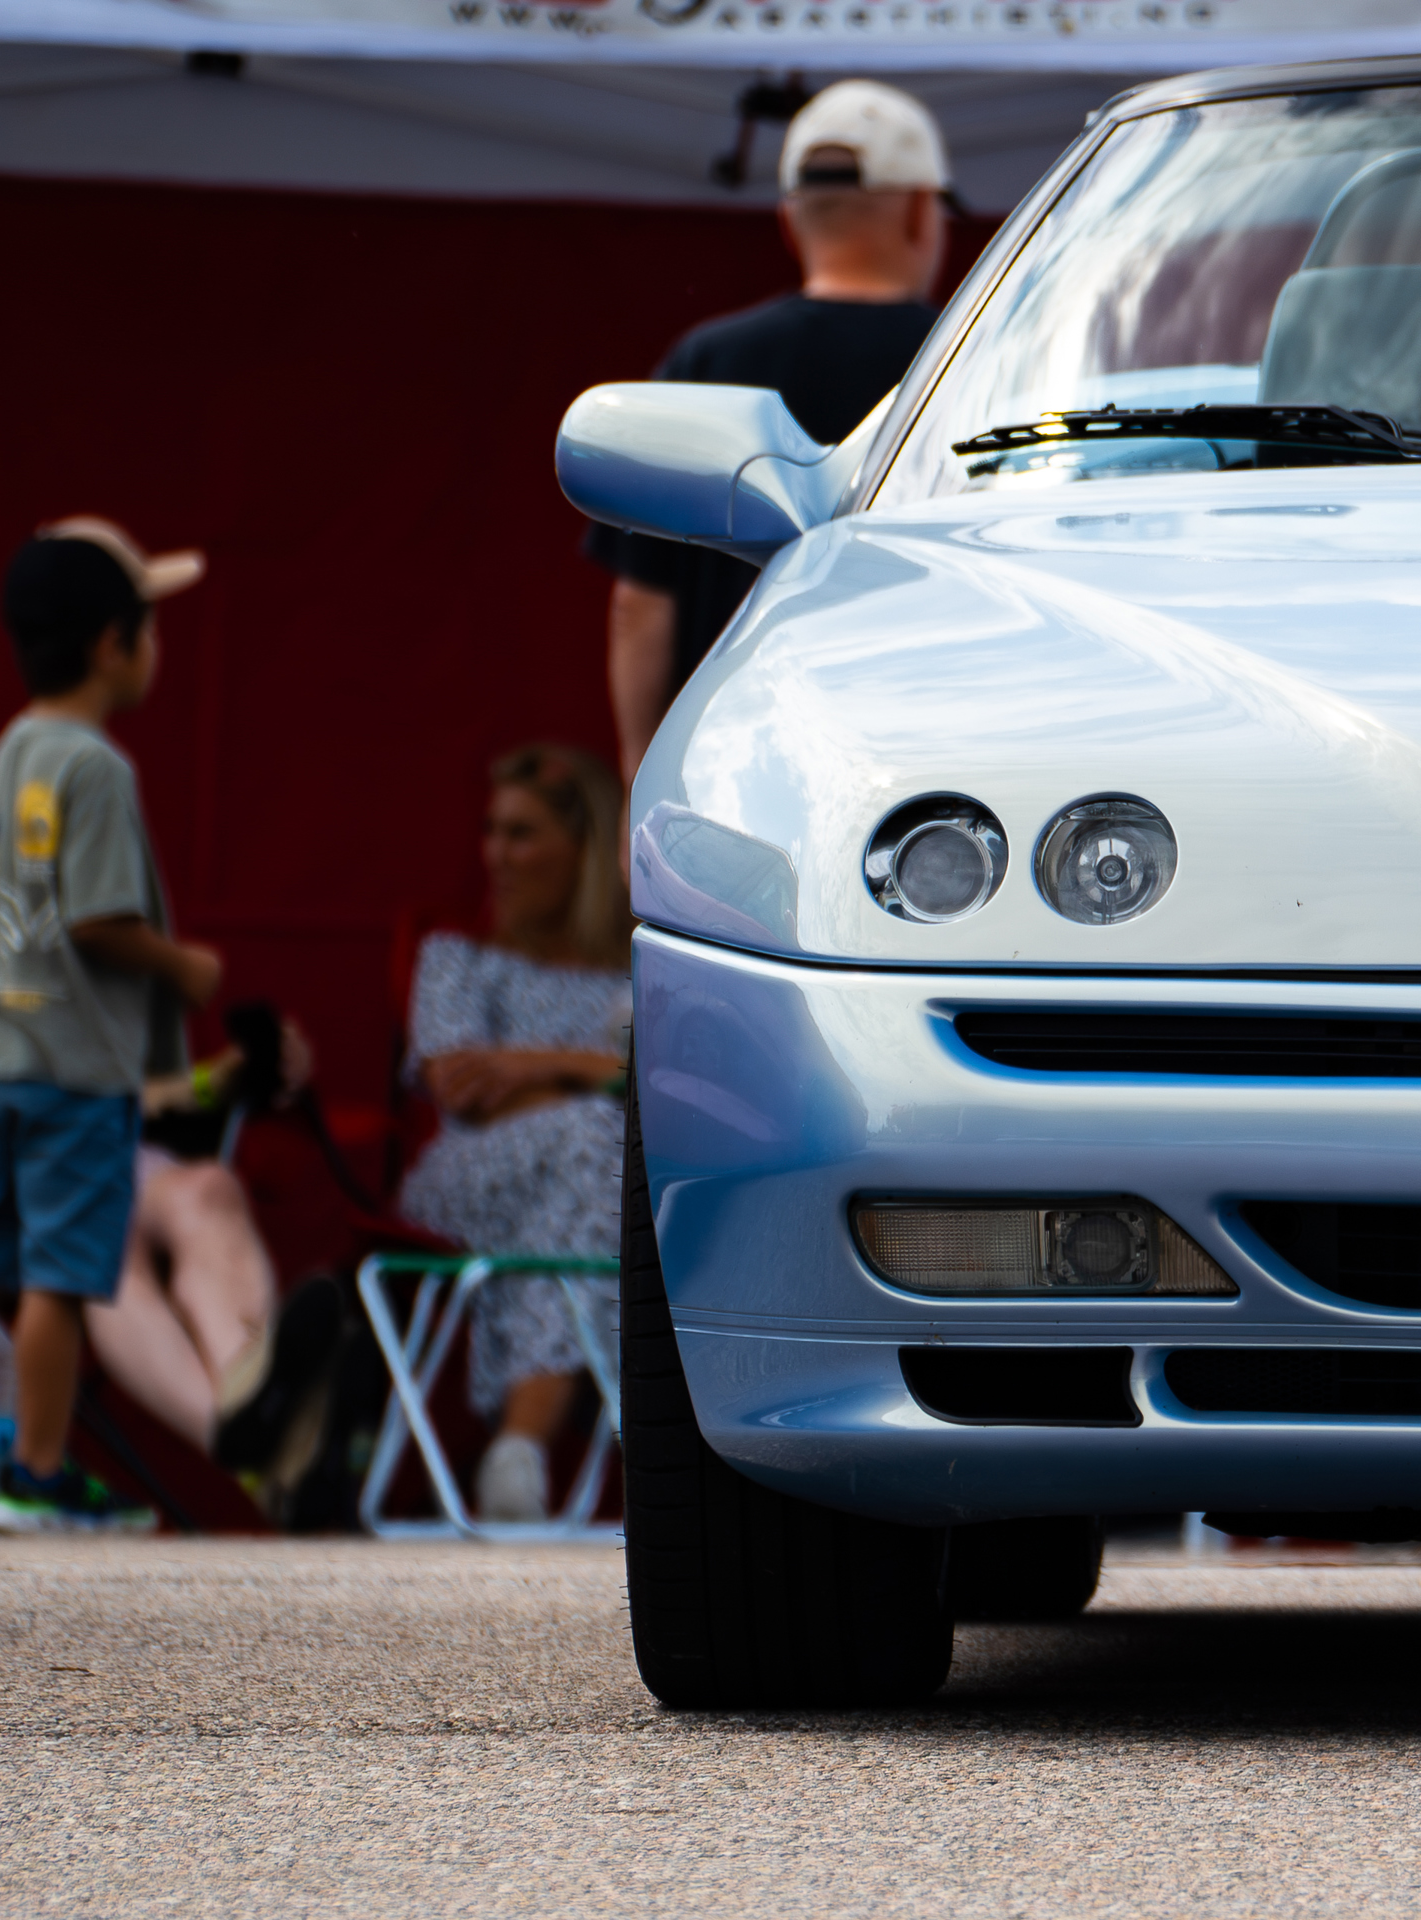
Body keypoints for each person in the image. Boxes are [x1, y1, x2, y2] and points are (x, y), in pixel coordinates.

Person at [0, 518, 222, 1534]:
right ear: (112, 645)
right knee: (58, 1277)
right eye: (149, 625)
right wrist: (182, 966)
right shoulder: (95, 767)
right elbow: (97, 920)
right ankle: (38, 1472)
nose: (156, 646)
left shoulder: (12, 745)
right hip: (71, 1064)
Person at [594, 78, 953, 777]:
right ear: (918, 212)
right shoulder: (975, 363)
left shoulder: (704, 363)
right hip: (928, 766)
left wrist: (641, 772)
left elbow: (641, 605)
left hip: (732, 770)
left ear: (789, 222)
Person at [397, 744, 631, 1524]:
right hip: (463, 1182)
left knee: (589, 1172)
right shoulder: (456, 960)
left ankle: (518, 1453)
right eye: (490, 831)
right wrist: (602, 1078)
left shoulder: (640, 974)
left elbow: (675, 1090)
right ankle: (524, 1448)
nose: (496, 854)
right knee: (598, 1143)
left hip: (597, 1194)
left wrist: (535, 1063)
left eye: (521, 834)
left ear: (584, 849)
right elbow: (465, 1094)